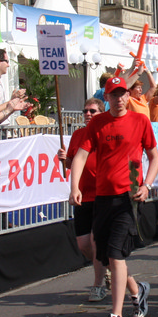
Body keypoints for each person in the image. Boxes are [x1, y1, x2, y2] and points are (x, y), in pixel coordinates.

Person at [69, 75, 158, 317]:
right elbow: (81, 156)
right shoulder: (98, 123)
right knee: (106, 257)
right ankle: (137, 290)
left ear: (128, 96)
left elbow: (154, 156)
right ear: (106, 97)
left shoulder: (140, 121)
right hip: (102, 198)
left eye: (123, 94)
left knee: (116, 254)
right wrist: (74, 187)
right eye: (114, 94)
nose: (119, 99)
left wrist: (147, 185)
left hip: (128, 198)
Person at [58, 98, 109, 302]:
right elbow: (72, 162)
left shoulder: (106, 133)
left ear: (101, 113)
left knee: (96, 242)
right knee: (83, 245)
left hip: (103, 195)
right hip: (83, 195)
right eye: (85, 111)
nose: (88, 114)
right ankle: (105, 266)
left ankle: (98, 285)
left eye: (92, 111)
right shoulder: (78, 135)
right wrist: (65, 159)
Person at [0, 48, 25, 125]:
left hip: (0, 123)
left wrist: (13, 102)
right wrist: (11, 103)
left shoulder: (0, 80)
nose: (8, 65)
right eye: (7, 61)